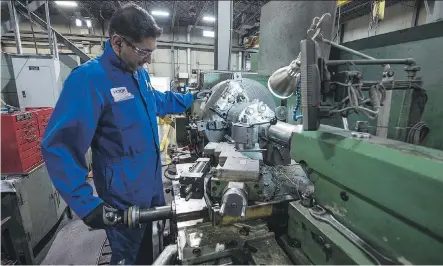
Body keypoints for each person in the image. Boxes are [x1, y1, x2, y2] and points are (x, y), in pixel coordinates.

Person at [41, 3, 195, 265]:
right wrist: (87, 204)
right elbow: (60, 147)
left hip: (152, 191)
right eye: (144, 51)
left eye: (151, 51)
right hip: (123, 202)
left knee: (154, 251)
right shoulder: (89, 80)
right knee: (130, 258)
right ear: (117, 42)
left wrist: (192, 100)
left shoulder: (138, 74)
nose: (149, 59)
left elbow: (156, 100)